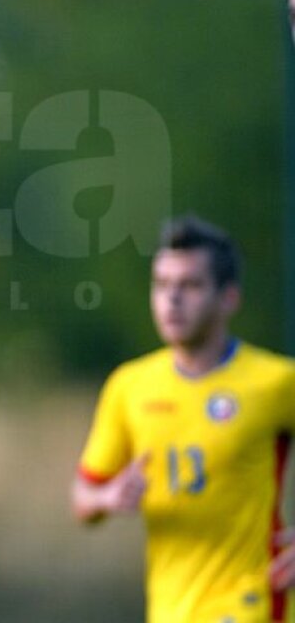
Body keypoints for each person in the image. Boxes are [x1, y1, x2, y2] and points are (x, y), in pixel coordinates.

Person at [72, 215, 295, 622]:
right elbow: (82, 498)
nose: (172, 299)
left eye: (190, 286)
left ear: (228, 297)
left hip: (250, 604)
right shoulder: (130, 386)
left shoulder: (274, 383)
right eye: (162, 285)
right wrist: (107, 497)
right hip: (170, 609)